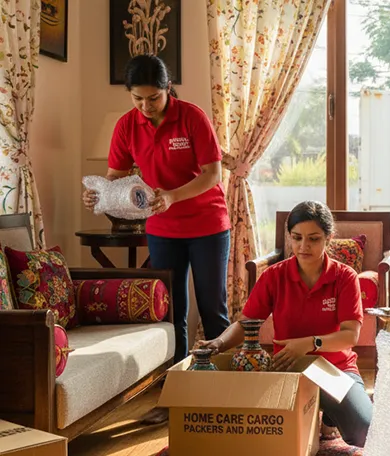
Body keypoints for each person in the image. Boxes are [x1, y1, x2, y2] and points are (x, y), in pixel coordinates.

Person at [82, 55, 232, 424]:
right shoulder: (126, 126)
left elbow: (213, 174)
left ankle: (224, 392)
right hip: (163, 230)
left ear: (168, 89)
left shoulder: (192, 117)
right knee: (171, 313)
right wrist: (99, 196)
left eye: (153, 98)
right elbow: (117, 180)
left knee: (213, 309)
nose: (146, 107)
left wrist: (172, 196)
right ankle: (174, 396)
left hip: (208, 224)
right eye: (137, 99)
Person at [194, 200, 373, 447]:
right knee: (258, 435)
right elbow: (246, 323)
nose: (303, 246)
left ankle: (330, 414)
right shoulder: (273, 276)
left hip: (336, 369)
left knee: (364, 432)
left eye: (314, 239)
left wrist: (309, 344)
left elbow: (350, 336)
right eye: (297, 238)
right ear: (289, 237)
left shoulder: (344, 277)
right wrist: (219, 342)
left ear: (328, 239)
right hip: (288, 368)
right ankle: (319, 410)